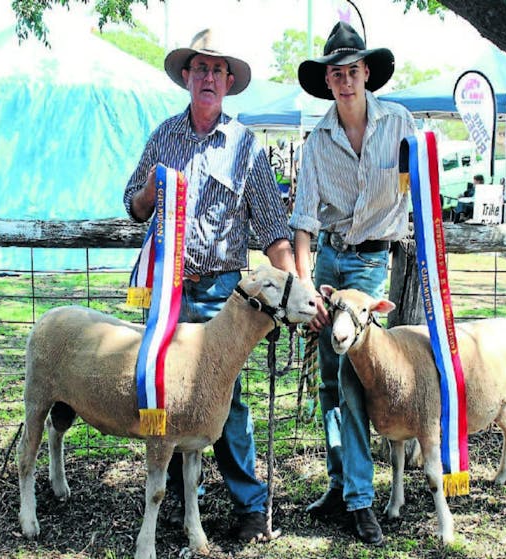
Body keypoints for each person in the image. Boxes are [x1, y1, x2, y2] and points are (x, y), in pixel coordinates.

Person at [123, 28, 296, 542]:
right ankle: (177, 501)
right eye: (200, 68)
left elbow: (272, 229)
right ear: (186, 76)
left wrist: (296, 290)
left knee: (228, 399)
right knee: (164, 391)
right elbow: (132, 206)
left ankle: (248, 505)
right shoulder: (163, 136)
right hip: (169, 290)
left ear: (227, 82)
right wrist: (152, 190)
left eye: (217, 70)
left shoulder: (245, 146)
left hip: (223, 291)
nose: (208, 78)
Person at [289, 22, 416, 545]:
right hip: (328, 268)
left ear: (368, 74)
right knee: (327, 382)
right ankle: (341, 483)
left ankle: (361, 499)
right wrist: (303, 284)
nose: (345, 80)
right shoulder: (318, 139)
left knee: (355, 382)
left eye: (352, 71)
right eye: (335, 73)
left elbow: (419, 193)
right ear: (328, 80)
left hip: (369, 269)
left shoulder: (402, 123)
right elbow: (303, 219)